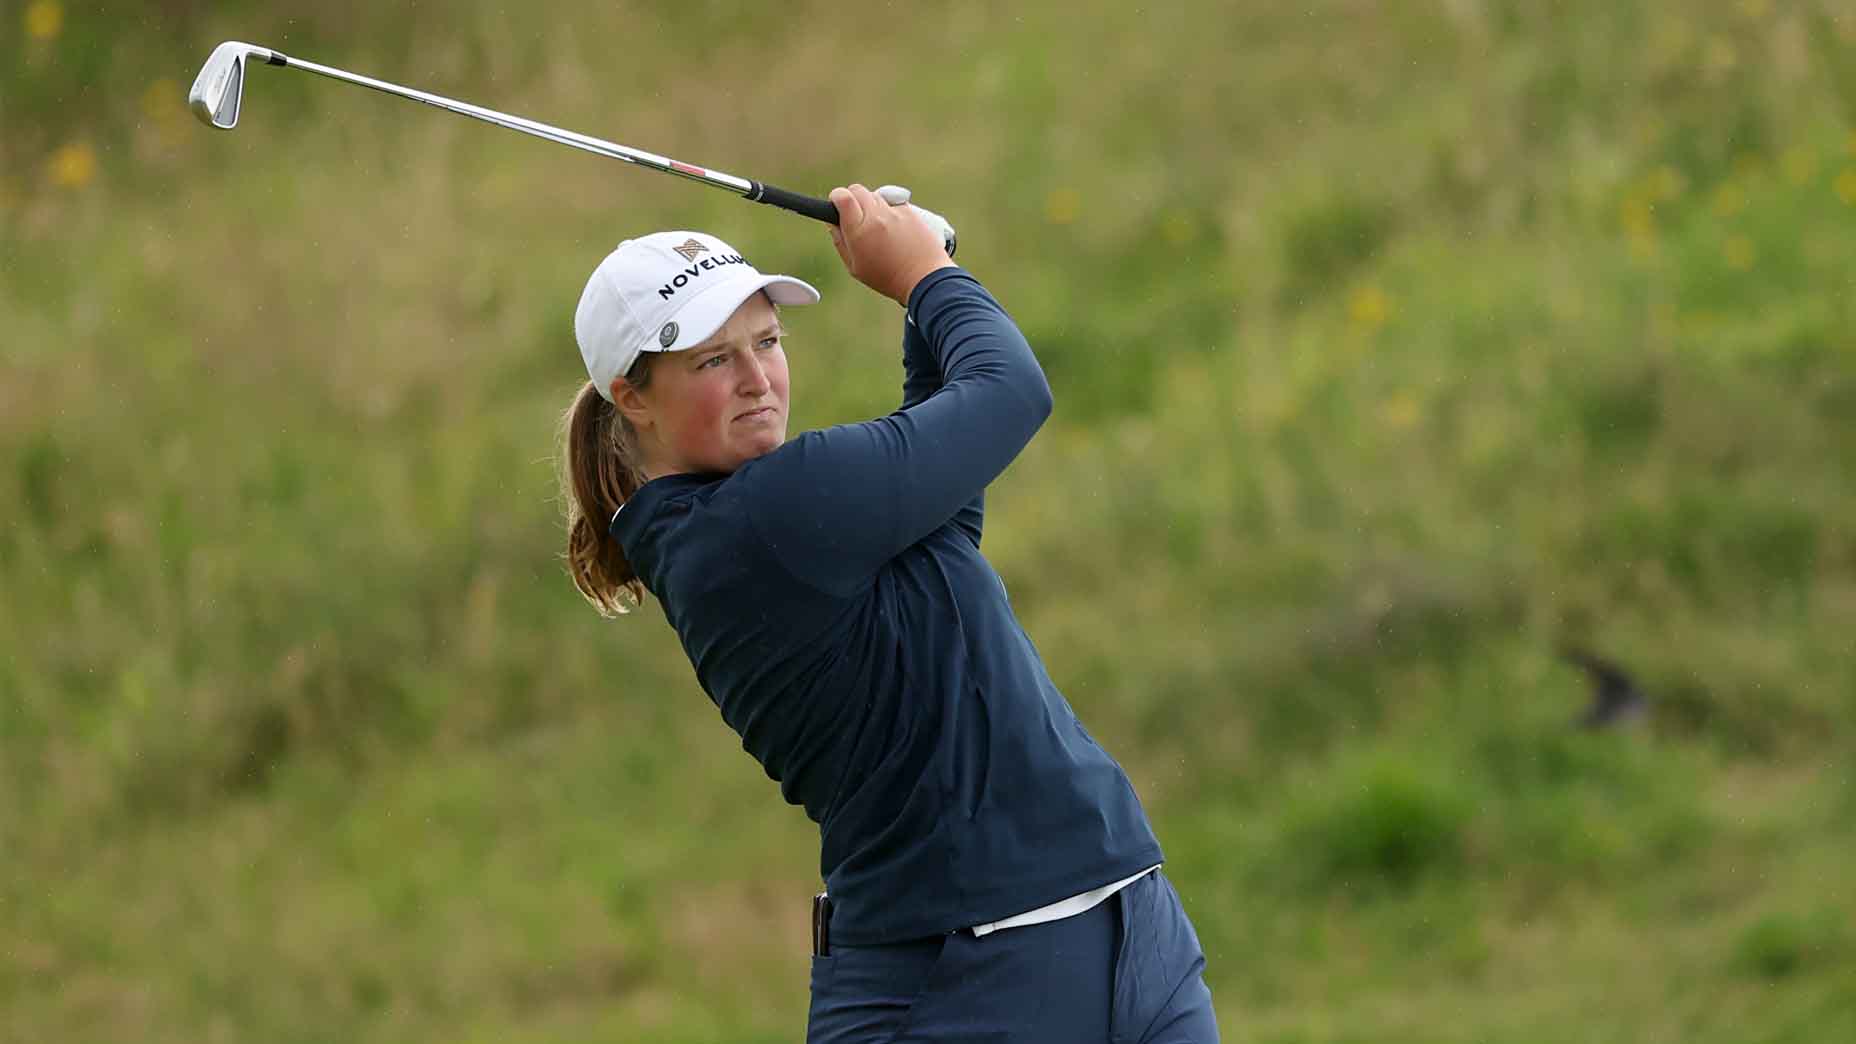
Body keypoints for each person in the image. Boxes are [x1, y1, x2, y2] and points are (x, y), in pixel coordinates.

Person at [557, 184, 1219, 1042]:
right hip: (958, 987)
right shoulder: (763, 517)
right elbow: (1010, 391)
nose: (758, 380)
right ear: (633, 397)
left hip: (1129, 932)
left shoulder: (781, 514)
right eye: (714, 361)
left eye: (768, 342)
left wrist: (929, 287)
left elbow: (949, 509)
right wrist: (923, 275)